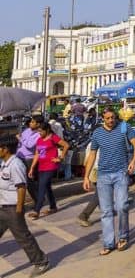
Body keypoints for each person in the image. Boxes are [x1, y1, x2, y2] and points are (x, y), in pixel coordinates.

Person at [83, 108, 135, 255]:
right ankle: (108, 243)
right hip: (103, 176)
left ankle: (123, 237)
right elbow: (92, 154)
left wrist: (133, 161)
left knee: (122, 206)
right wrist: (86, 176)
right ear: (103, 118)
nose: (111, 120)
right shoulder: (97, 133)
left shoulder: (124, 128)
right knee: (106, 211)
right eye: (108, 118)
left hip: (121, 173)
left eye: (113, 117)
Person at [0, 135, 50, 276]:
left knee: (23, 237)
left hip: (12, 208)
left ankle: (41, 262)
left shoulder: (16, 164)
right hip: (2, 208)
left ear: (5, 149)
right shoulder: (4, 163)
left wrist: (19, 210)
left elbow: (21, 187)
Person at [27, 123, 69, 220]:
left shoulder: (53, 137)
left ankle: (37, 210)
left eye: (41, 131)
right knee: (46, 187)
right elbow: (37, 154)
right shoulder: (39, 140)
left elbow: (66, 145)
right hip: (41, 167)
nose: (39, 133)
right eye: (38, 131)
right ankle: (53, 207)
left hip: (51, 166)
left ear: (47, 130)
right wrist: (32, 168)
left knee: (41, 186)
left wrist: (60, 158)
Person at [16, 115, 43, 203]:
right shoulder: (27, 130)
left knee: (30, 182)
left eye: (32, 122)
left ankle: (38, 200)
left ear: (38, 124)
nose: (30, 123)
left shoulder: (39, 134)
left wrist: (20, 139)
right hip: (20, 157)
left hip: (28, 159)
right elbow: (22, 139)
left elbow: (30, 145)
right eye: (31, 122)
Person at [77, 141, 99, 227]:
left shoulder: (90, 143)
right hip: (98, 170)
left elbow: (86, 161)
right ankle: (84, 216)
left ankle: (109, 209)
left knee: (102, 192)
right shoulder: (99, 141)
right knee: (100, 194)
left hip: (93, 170)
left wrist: (87, 175)